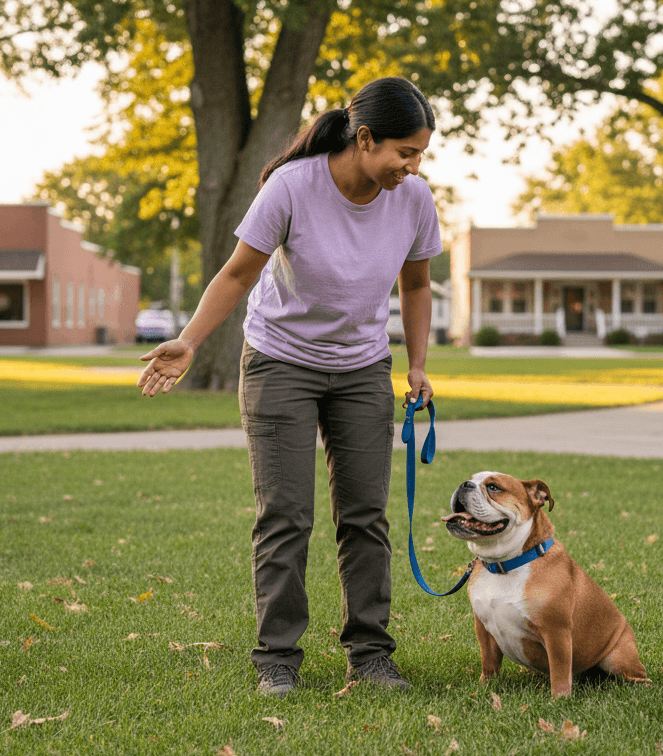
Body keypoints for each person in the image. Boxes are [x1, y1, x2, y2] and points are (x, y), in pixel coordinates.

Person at [136, 77, 440, 698]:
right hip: (280, 363)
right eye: (404, 153)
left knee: (365, 516)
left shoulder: (414, 201)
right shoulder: (292, 187)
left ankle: (371, 654)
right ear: (364, 139)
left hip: (360, 368)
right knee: (286, 516)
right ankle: (277, 658)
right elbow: (238, 271)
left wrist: (416, 366)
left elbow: (416, 285)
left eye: (420, 156)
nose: (412, 167)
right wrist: (190, 341)